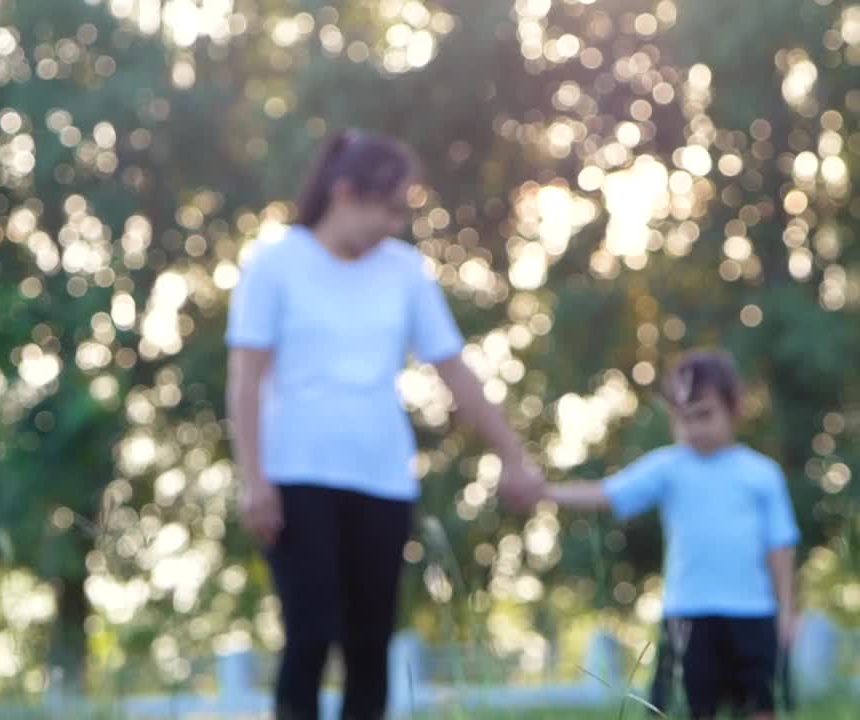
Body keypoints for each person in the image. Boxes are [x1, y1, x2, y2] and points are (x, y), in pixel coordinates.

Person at [225, 128, 543, 720]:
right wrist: (255, 479)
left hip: (381, 478)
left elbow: (456, 371)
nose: (395, 224)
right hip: (296, 474)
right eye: (390, 208)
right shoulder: (275, 264)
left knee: (370, 644)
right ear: (345, 193)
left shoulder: (404, 272)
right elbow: (245, 382)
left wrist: (513, 454)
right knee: (311, 634)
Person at [544, 349, 800, 720]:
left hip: (753, 615)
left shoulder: (762, 474)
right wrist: (544, 492)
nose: (693, 427)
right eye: (683, 417)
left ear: (734, 408)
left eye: (704, 414)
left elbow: (781, 547)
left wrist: (787, 611)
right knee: (680, 710)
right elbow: (608, 493)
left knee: (760, 709)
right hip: (687, 617)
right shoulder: (668, 467)